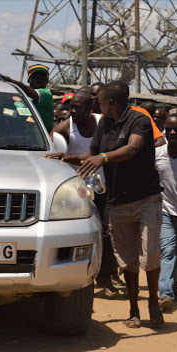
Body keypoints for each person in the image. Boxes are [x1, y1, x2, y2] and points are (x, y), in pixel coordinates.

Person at [54, 81, 164, 328]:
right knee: (128, 261)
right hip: (118, 202)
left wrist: (103, 158)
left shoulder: (139, 120)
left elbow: (132, 148)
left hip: (146, 199)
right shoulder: (104, 124)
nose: (98, 106)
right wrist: (67, 157)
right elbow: (90, 154)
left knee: (150, 255)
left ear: (110, 102)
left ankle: (154, 302)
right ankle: (134, 309)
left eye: (100, 102)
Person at [49, 91, 119, 298]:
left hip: (103, 187)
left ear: (90, 108)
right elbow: (53, 154)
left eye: (77, 107)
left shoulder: (103, 122)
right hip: (76, 191)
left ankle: (105, 278)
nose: (72, 111)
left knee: (106, 233)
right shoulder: (64, 128)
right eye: (71, 107)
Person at [155, 113, 177, 312]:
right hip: (165, 210)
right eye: (169, 129)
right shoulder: (157, 154)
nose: (172, 132)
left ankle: (173, 286)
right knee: (168, 250)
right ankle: (165, 294)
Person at [0, 64, 54, 132]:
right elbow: (18, 114)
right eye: (35, 77)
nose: (39, 80)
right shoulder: (25, 99)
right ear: (29, 80)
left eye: (42, 78)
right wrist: (1, 111)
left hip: (44, 140)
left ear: (46, 81)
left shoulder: (46, 94)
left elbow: (24, 88)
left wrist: (5, 78)